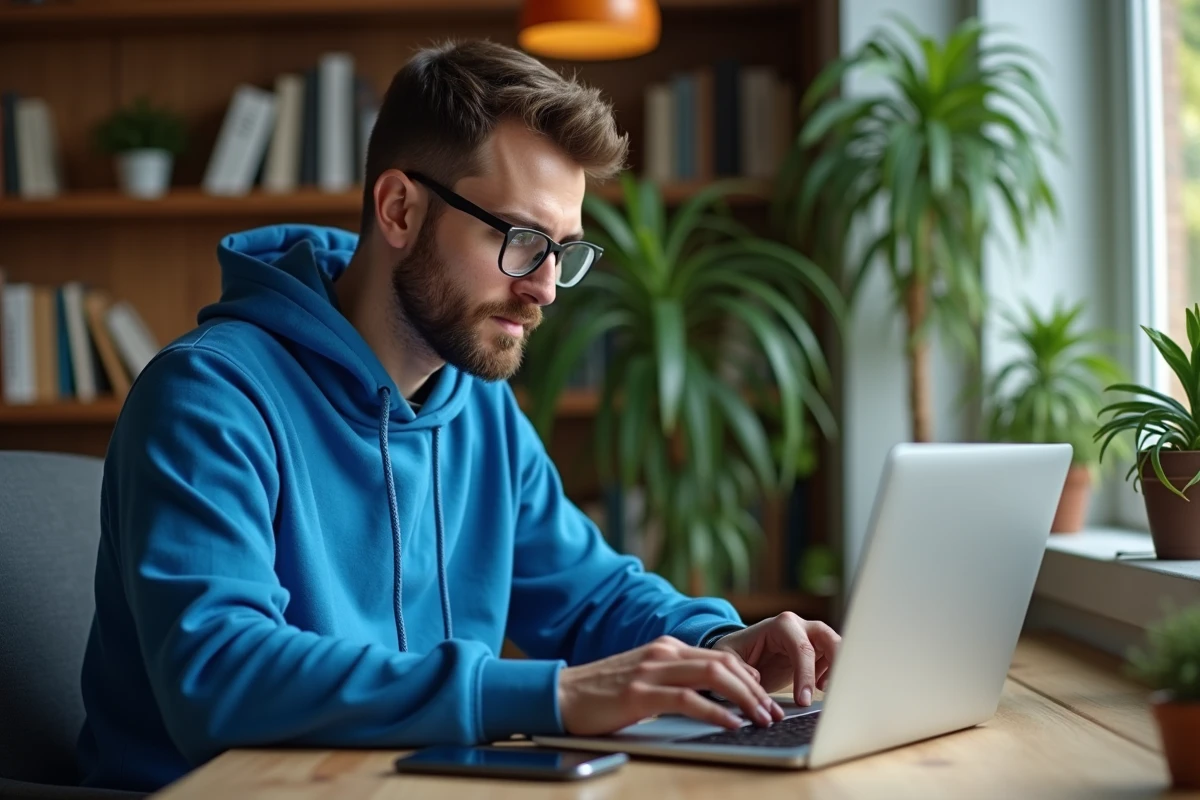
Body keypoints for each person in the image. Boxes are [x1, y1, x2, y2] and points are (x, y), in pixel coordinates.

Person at [76, 39, 841, 792]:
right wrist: (556, 696)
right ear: (401, 209)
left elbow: (591, 594)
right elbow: (219, 673)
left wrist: (721, 641)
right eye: (519, 239)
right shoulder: (209, 396)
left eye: (563, 251)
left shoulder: (479, 407)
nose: (545, 287)